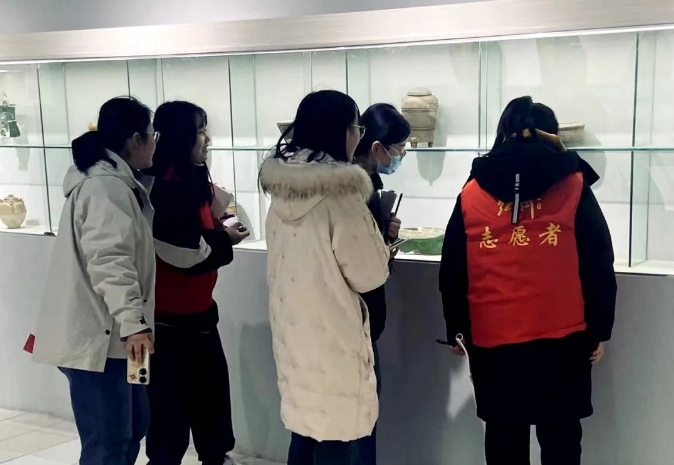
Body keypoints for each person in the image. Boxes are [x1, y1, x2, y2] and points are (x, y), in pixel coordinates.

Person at [439, 96, 617, 465]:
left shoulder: (472, 192)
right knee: (561, 442)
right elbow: (598, 261)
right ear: (552, 135)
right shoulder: (573, 185)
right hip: (563, 340)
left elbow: (454, 267)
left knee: (504, 441)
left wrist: (458, 329)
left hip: (494, 343)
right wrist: (599, 329)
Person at [259, 90, 391, 465]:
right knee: (341, 436)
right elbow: (370, 274)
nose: (358, 137)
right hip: (335, 338)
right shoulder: (343, 195)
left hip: (295, 336)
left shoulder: (281, 190)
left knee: (305, 431)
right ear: (340, 131)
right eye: (356, 129)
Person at [30, 96, 157, 465]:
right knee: (108, 441)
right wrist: (134, 324)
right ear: (135, 138)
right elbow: (109, 261)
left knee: (131, 428)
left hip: (118, 339)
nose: (155, 144)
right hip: (104, 340)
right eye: (152, 135)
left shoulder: (116, 182)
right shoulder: (105, 187)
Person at [144, 101, 249, 465]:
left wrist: (219, 223)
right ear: (180, 136)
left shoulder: (190, 179)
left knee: (212, 408)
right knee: (169, 419)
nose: (207, 139)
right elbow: (186, 254)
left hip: (200, 314)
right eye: (200, 131)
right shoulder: (165, 186)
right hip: (168, 322)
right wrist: (225, 239)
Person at [352, 103, 410, 465]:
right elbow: (361, 264)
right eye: (398, 149)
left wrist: (384, 237)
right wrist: (383, 252)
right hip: (356, 318)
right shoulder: (352, 193)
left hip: (360, 318)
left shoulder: (368, 185)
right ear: (376, 147)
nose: (399, 157)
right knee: (357, 421)